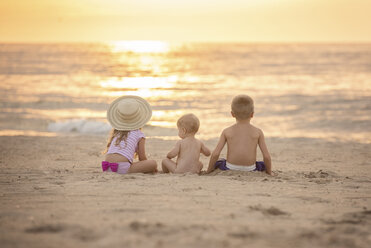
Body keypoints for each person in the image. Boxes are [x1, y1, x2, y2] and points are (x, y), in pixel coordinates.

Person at [206, 94, 272, 175]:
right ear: (252, 114)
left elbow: (215, 154)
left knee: (219, 162)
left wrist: (209, 171)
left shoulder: (226, 131)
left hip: (230, 167)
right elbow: (266, 157)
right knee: (262, 164)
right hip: (251, 168)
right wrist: (269, 172)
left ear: (232, 114)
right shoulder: (258, 132)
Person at [102, 95, 157, 174]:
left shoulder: (117, 132)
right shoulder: (139, 134)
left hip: (107, 167)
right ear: (140, 118)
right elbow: (142, 158)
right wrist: (149, 167)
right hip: (122, 168)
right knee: (153, 163)